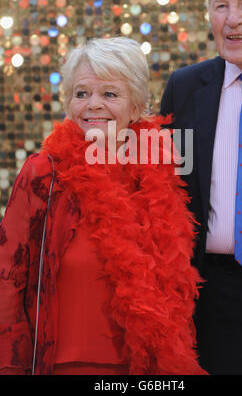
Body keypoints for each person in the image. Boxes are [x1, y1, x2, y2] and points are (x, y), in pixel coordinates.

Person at [0, 36, 207, 375]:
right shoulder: (43, 174)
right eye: (82, 93)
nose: (93, 104)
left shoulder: (160, 175)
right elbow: (6, 279)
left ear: (137, 106)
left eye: (109, 94)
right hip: (64, 364)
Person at [161, 0, 242, 375]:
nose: (232, 19)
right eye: (220, 6)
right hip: (212, 301)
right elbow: (166, 189)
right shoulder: (185, 88)